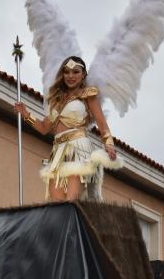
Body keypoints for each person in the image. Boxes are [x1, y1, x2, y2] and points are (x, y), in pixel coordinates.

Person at [14, 56, 122, 201]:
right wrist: (26, 115)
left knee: (71, 202)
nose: (70, 76)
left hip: (78, 148)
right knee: (57, 205)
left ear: (83, 75)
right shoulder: (56, 100)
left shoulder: (87, 95)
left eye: (75, 72)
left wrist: (109, 145)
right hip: (57, 152)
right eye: (67, 72)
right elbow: (44, 128)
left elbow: (102, 124)